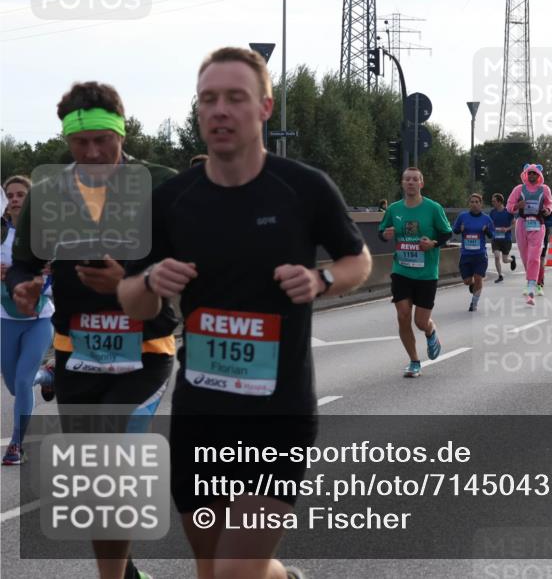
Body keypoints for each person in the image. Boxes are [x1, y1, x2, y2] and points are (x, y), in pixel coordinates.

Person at [118, 47, 371, 579]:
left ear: (264, 108)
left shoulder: (302, 188)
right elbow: (131, 300)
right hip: (201, 412)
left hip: (278, 413)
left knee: (234, 572)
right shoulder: (171, 200)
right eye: (208, 99)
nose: (220, 110)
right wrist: (149, 282)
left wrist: (323, 279)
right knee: (213, 569)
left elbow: (358, 259)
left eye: (235, 98)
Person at [7, 80, 179, 579]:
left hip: (145, 350)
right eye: (81, 143)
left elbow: (191, 263)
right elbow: (24, 264)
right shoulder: (47, 195)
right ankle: (125, 573)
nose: (94, 151)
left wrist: (128, 281)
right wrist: (23, 285)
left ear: (122, 131)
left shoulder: (160, 185)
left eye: (104, 138)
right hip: (76, 353)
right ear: (67, 141)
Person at [1, 176, 55, 466]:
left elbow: (55, 275)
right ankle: (47, 376)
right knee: (13, 385)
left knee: (22, 381)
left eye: (22, 194)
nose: (15, 198)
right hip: (5, 319)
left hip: (39, 318)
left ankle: (16, 445)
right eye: (10, 194)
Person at [379, 167, 453, 376]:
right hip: (401, 270)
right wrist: (385, 234)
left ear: (421, 183)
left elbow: (447, 233)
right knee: (403, 315)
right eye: (407, 179)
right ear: (402, 183)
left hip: (426, 273)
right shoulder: (394, 209)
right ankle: (414, 361)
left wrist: (433, 243)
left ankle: (431, 332)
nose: (410, 182)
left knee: (420, 322)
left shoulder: (433, 208)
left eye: (415, 179)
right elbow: (381, 232)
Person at [506, 164, 552, 306]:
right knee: (526, 257)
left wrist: (547, 210)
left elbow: (550, 204)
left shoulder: (544, 189)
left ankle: (532, 285)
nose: (532, 176)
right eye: (530, 173)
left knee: (534, 256)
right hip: (522, 224)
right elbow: (509, 207)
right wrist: (517, 206)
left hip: (538, 224)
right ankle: (532, 281)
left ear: (539, 175)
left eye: (535, 173)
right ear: (526, 175)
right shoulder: (518, 189)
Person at [453, 194, 494, 311]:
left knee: (478, 278)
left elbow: (492, 235)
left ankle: (474, 303)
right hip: (466, 255)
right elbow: (455, 230)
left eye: (477, 202)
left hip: (480, 255)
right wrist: (459, 229)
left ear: (481, 204)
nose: (474, 204)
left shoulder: (486, 219)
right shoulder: (462, 216)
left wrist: (486, 230)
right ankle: (472, 285)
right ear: (469, 204)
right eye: (472, 202)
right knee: (467, 281)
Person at [489, 193, 516, 282]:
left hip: (506, 239)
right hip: (496, 239)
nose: (492, 203)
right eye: (492, 201)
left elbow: (514, 224)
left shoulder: (508, 212)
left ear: (500, 202)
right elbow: (490, 224)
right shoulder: (492, 212)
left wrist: (507, 229)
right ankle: (500, 276)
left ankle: (512, 259)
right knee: (497, 256)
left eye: (494, 201)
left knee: (505, 260)